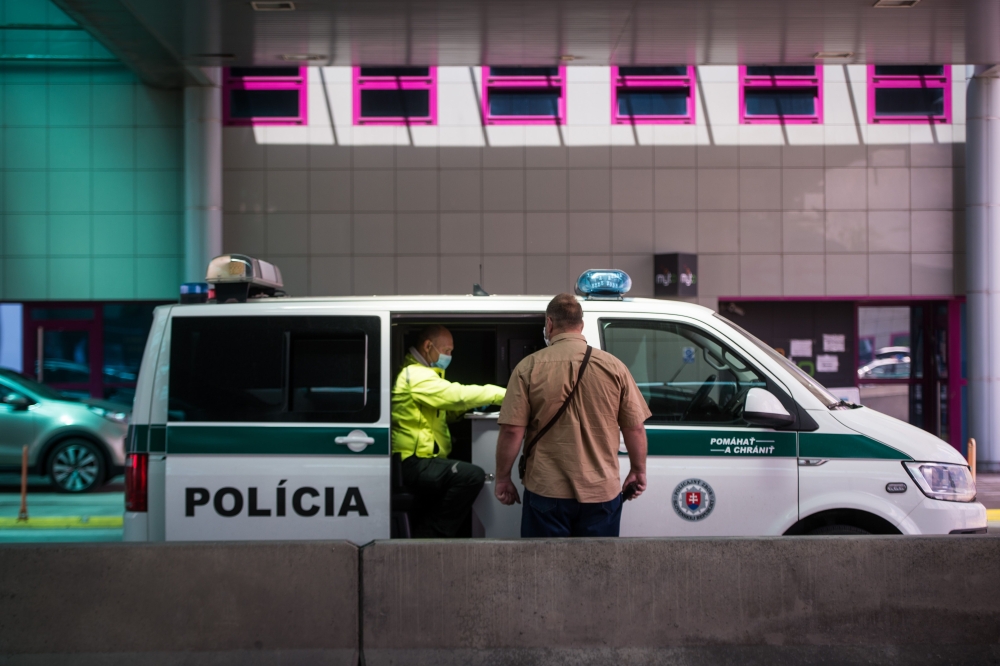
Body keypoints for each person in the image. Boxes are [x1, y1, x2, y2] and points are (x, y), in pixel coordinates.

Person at [494, 294, 650, 537]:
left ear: (549, 324)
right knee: (597, 568)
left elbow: (513, 430)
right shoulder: (614, 367)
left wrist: (503, 477)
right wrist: (638, 471)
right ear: (582, 325)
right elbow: (635, 427)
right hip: (601, 492)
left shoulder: (528, 367)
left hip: (547, 491)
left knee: (546, 569)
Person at [391, 325, 506, 538]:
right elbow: (455, 395)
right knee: (472, 476)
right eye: (447, 351)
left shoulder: (424, 374)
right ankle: (430, 537)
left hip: (424, 459)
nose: (449, 356)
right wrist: (501, 394)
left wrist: (467, 409)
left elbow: (442, 411)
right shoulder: (415, 375)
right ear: (428, 346)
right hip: (412, 462)